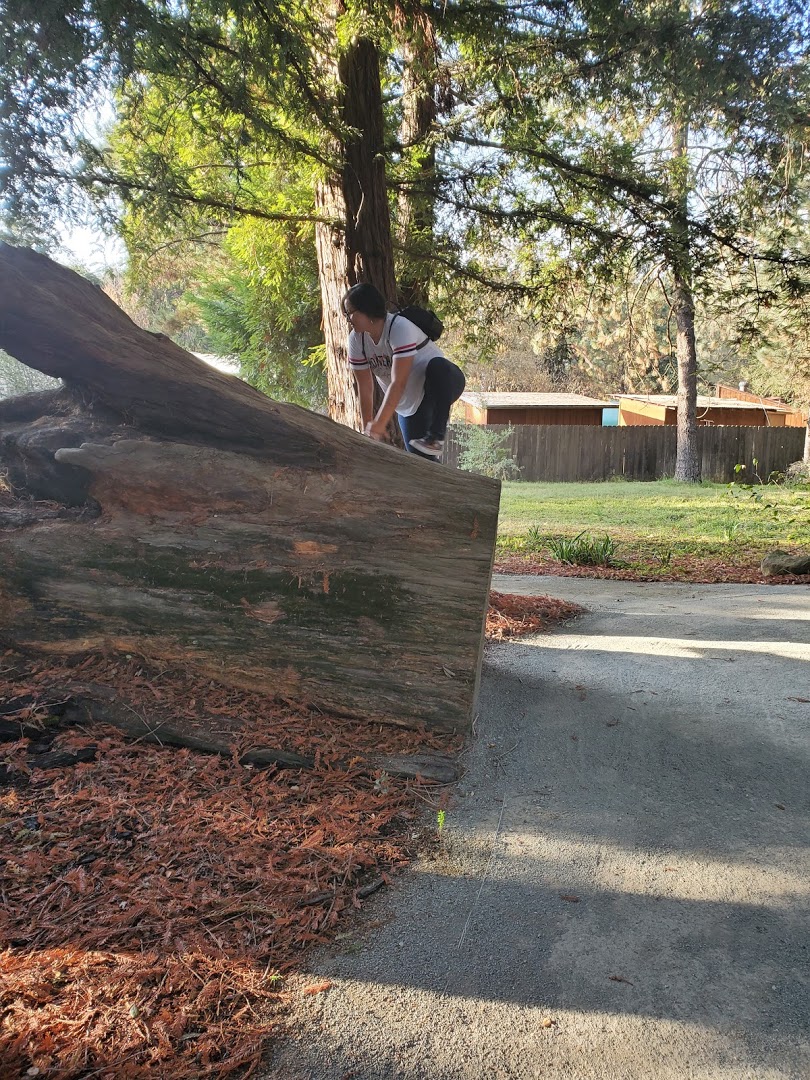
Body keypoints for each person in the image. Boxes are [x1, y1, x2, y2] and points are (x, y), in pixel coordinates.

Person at [343, 283, 465, 459]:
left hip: (441, 385)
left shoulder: (399, 328)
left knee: (438, 366)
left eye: (350, 312)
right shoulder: (356, 340)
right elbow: (365, 387)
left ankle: (437, 435)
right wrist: (368, 429)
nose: (348, 318)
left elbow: (398, 383)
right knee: (422, 464)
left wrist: (380, 423)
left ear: (366, 308)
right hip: (410, 406)